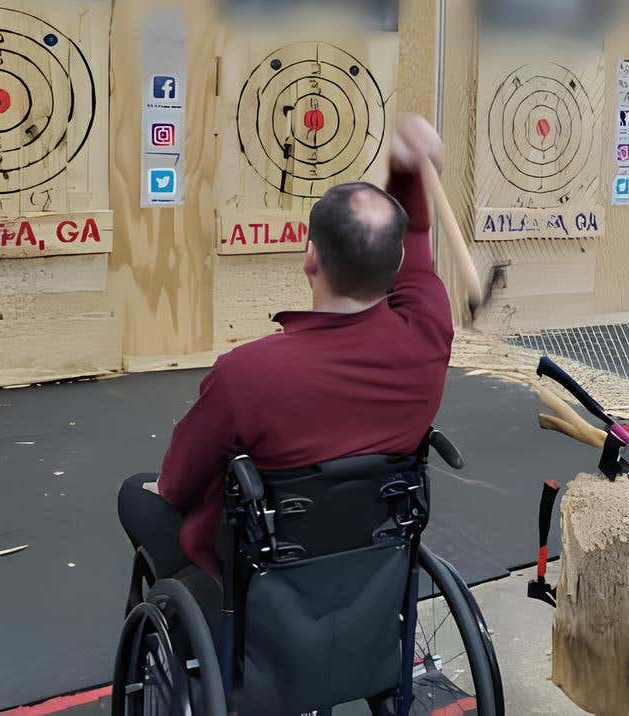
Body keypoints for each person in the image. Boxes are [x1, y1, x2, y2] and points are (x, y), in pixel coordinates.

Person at [118, 113, 453, 580]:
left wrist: (166, 489)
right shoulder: (428, 334)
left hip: (269, 560)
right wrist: (408, 170)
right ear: (395, 262)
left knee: (137, 494)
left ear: (310, 255)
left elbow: (179, 483)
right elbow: (416, 242)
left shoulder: (246, 373)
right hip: (373, 547)